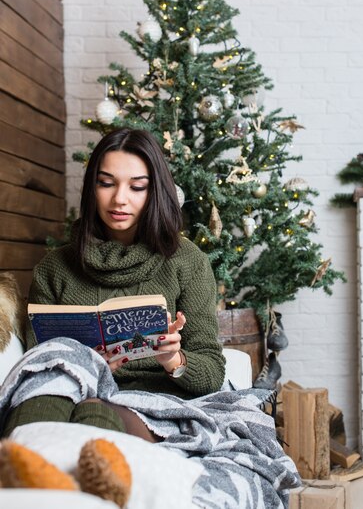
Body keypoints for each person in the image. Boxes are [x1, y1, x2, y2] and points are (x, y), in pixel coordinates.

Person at [2, 127, 226, 441]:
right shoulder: (54, 267)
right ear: (92, 188)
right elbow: (39, 362)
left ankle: (66, 474)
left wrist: (174, 360)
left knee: (93, 410)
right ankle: (16, 469)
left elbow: (212, 373)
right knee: (49, 394)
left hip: (152, 405)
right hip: (70, 390)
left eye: (137, 187)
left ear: (155, 191)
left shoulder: (187, 261)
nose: (119, 199)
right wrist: (90, 364)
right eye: (106, 183)